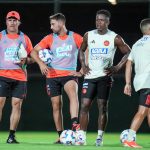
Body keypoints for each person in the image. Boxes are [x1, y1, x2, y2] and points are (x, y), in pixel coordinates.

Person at [79, 9, 131, 146]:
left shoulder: (114, 37)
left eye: (102, 20)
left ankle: (99, 138)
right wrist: (83, 65)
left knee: (102, 107)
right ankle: (81, 137)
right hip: (89, 77)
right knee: (84, 106)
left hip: (104, 77)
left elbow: (128, 52)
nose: (98, 22)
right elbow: (81, 49)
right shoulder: (88, 35)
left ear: (108, 22)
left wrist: (117, 67)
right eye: (97, 19)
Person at [30, 13, 82, 143]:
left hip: (69, 74)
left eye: (53, 24)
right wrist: (41, 63)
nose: (51, 27)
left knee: (73, 95)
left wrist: (82, 70)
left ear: (61, 23)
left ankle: (75, 125)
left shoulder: (74, 37)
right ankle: (61, 135)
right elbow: (33, 51)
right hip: (52, 76)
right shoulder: (49, 38)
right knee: (56, 105)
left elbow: (86, 50)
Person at [0, 11, 33, 143]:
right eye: (10, 20)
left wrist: (25, 61)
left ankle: (11, 136)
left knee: (16, 104)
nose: (12, 22)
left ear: (19, 22)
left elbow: (32, 58)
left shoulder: (24, 38)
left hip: (20, 77)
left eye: (15, 20)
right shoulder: (1, 36)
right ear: (6, 22)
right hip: (2, 74)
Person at [123, 18, 150, 148]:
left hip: (139, 82)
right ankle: (129, 139)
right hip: (148, 82)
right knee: (143, 111)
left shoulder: (136, 44)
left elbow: (129, 63)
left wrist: (127, 83)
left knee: (149, 111)